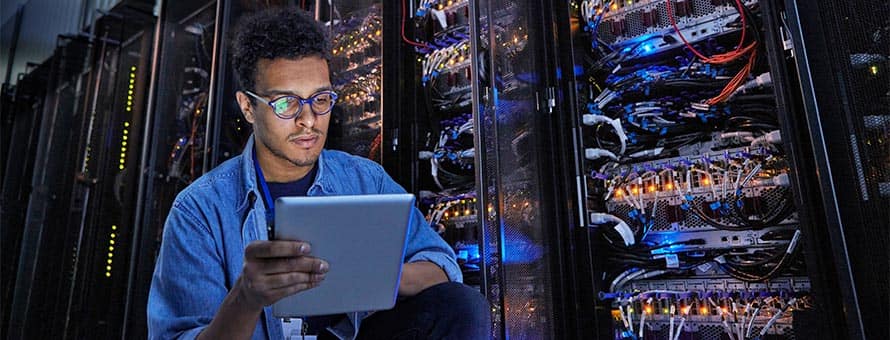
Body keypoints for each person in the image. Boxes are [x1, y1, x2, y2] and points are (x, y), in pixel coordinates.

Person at [147, 7, 489, 340]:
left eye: (321, 99)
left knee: (461, 305)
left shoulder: (363, 180)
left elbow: (442, 265)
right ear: (248, 107)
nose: (308, 120)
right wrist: (246, 298)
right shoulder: (200, 210)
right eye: (286, 103)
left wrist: (379, 276)